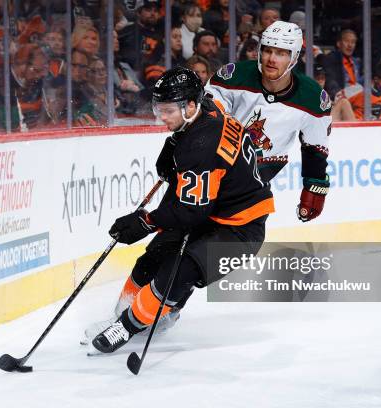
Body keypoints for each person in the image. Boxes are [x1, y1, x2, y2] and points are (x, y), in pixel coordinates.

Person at [90, 67, 272, 353]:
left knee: (179, 271)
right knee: (152, 259)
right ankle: (126, 314)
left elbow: (190, 213)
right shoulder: (205, 109)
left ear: (189, 106)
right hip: (212, 210)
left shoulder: (202, 146)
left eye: (167, 110)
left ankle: (126, 326)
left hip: (241, 229)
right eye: (157, 109)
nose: (161, 117)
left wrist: (145, 221)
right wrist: (174, 143)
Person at [205, 20, 331, 216]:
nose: (272, 59)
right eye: (267, 50)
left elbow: (315, 147)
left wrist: (315, 187)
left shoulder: (312, 98)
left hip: (251, 188)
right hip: (210, 172)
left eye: (281, 53)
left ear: (294, 57)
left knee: (227, 244)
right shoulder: (234, 76)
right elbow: (207, 118)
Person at [322, 29, 363, 99]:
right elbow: (331, 82)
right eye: (346, 41)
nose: (350, 45)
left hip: (359, 95)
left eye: (353, 42)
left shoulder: (357, 61)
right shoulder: (331, 59)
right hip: (343, 96)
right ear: (338, 43)